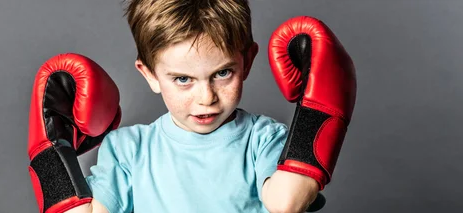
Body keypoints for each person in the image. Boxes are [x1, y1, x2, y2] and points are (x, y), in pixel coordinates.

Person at [26, 0, 356, 213]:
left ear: (248, 61)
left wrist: (320, 110)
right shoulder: (128, 150)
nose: (206, 97)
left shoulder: (264, 140)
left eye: (222, 73)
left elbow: (287, 203)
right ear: (150, 75)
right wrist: (53, 157)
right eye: (183, 79)